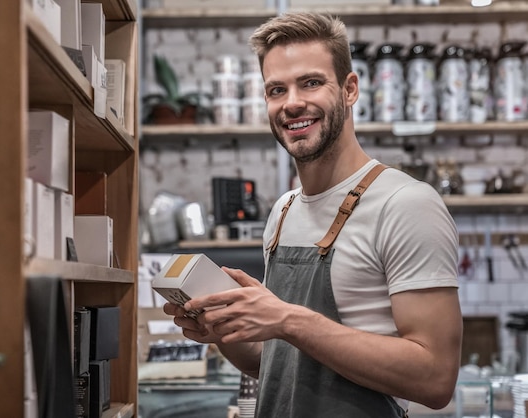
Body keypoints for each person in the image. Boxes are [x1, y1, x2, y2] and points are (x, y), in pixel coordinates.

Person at [163, 11, 462, 418]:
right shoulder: (283, 212)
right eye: (276, 90)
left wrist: (288, 319)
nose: (292, 103)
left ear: (349, 89)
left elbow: (436, 378)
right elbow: (272, 362)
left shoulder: (407, 204)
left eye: (311, 82)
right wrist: (224, 328)